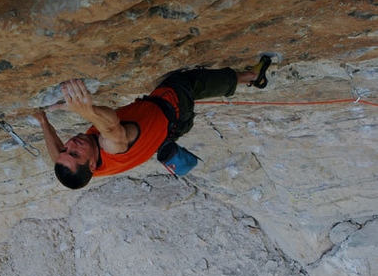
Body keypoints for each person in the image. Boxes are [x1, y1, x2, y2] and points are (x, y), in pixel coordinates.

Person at [33, 58, 271, 189]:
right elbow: (112, 127)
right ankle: (251, 77)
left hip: (162, 129)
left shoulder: (82, 171)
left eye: (66, 149)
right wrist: (88, 110)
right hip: (173, 108)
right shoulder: (111, 147)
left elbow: (57, 157)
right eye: (75, 153)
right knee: (188, 82)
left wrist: (43, 121)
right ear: (93, 164)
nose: (71, 144)